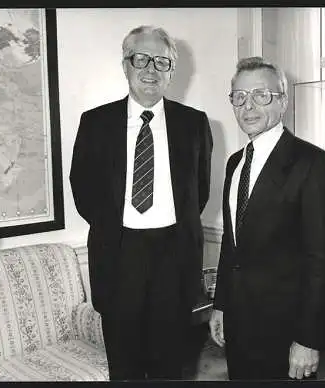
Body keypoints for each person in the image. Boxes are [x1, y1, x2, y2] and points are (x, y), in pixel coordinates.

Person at [70, 25, 213, 381]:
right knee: (125, 368)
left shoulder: (194, 124)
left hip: (174, 259)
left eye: (161, 62)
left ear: (171, 71)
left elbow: (199, 192)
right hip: (119, 257)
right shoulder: (95, 122)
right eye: (141, 59)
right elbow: (82, 189)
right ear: (125, 65)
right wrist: (113, 226)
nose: (150, 69)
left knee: (171, 367)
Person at [209, 57, 325, 380]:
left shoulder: (313, 163)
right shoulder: (234, 163)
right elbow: (232, 242)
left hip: (287, 332)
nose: (248, 106)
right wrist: (220, 304)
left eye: (261, 95)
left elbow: (323, 260)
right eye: (239, 97)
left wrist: (309, 339)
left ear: (282, 101)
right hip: (239, 326)